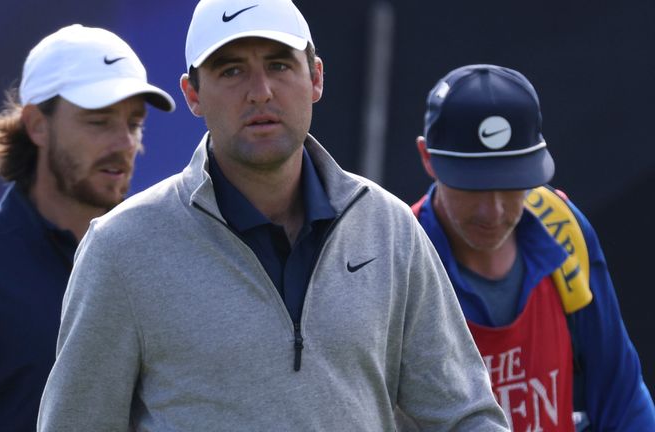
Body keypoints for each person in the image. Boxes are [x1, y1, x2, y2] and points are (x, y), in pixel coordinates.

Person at [36, 1, 510, 431]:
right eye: (231, 70)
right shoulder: (121, 247)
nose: (260, 92)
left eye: (279, 65)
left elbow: (464, 416)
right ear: (193, 94)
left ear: (316, 78)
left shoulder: (389, 227)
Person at [0, 24, 175, 431]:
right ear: (37, 124)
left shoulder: (157, 261)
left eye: (134, 123)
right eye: (99, 121)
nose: (125, 143)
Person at [411, 64, 655, 431]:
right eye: (472, 186)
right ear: (427, 157)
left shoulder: (562, 226)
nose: (493, 211)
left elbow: (621, 396)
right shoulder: (400, 257)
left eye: (513, 184)